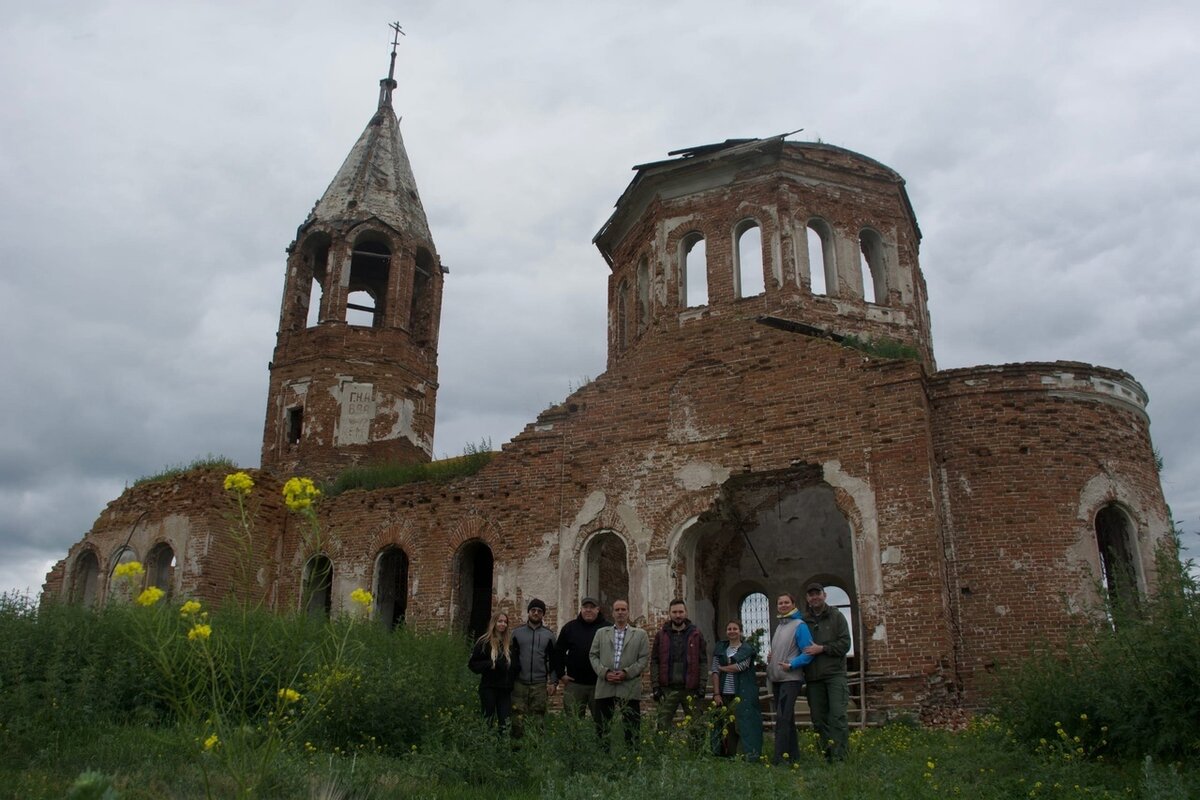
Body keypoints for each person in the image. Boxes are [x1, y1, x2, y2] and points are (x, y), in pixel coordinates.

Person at [802, 582, 851, 761]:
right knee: (818, 719)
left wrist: (822, 649)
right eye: (811, 595)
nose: (814, 597)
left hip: (834, 675)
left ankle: (840, 756)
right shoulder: (803, 621)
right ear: (807, 598)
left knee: (838, 716)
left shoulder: (836, 617)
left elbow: (845, 644)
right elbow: (796, 645)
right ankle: (826, 755)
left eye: (817, 594)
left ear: (824, 595)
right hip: (813, 678)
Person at [589, 598, 649, 745]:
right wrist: (605, 672)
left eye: (623, 609)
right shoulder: (601, 633)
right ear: (612, 613)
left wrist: (626, 673)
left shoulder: (640, 634)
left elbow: (643, 659)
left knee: (632, 726)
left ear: (628, 612)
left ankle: (632, 756)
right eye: (617, 610)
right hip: (605, 685)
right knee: (602, 726)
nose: (620, 612)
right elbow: (593, 655)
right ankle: (603, 757)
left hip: (628, 686)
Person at [766, 591, 814, 764]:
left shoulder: (799, 625)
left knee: (782, 718)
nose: (783, 605)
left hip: (790, 679)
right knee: (787, 718)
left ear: (793, 604)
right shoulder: (780, 626)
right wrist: (772, 658)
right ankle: (793, 756)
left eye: (787, 602)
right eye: (780, 603)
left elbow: (808, 652)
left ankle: (779, 758)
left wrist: (792, 665)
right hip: (778, 678)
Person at [651, 598, 708, 730]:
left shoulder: (696, 634)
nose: (678, 615)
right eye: (675, 612)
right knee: (663, 727)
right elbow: (654, 661)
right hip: (668, 689)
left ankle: (695, 751)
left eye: (681, 612)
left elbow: (703, 661)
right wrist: (655, 686)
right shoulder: (661, 635)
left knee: (696, 727)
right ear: (669, 613)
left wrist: (702, 685)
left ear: (686, 613)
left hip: (690, 689)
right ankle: (662, 750)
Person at [710, 620, 763, 760]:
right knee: (728, 726)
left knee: (744, 725)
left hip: (742, 693)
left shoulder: (746, 649)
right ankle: (729, 754)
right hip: (724, 693)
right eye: (729, 629)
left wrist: (722, 668)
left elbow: (740, 667)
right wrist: (716, 693)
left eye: (735, 628)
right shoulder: (721, 649)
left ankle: (748, 755)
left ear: (740, 631)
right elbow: (714, 672)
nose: (732, 631)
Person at [510, 598, 558, 738]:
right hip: (519, 683)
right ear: (528, 612)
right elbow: (510, 658)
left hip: (539, 684)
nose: (536, 613)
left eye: (539, 611)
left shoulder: (549, 635)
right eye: (533, 610)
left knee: (538, 718)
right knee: (517, 718)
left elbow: (553, 661)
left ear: (543, 614)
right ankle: (516, 749)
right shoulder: (517, 633)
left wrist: (553, 682)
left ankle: (536, 750)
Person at [555, 596, 608, 721]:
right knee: (573, 722)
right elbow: (559, 651)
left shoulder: (607, 628)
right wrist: (561, 674)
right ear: (581, 609)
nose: (588, 610)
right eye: (585, 607)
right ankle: (575, 742)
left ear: (598, 610)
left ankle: (601, 741)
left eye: (592, 607)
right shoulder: (570, 628)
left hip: (599, 684)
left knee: (602, 722)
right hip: (575, 684)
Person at [467, 611, 520, 731]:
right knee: (487, 720)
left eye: (505, 622)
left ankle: (502, 747)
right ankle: (486, 746)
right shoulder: (484, 642)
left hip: (505, 690)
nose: (503, 624)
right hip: (489, 687)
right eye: (500, 621)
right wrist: (491, 664)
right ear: (494, 623)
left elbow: (516, 665)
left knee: (505, 722)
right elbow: (473, 664)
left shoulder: (510, 644)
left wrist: (512, 674)